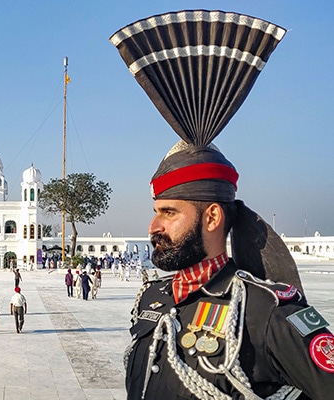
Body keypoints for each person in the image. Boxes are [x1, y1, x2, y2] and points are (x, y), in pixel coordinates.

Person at [111, 11, 334, 399]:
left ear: (212, 215)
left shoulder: (265, 314)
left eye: (169, 212)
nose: (153, 227)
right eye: (155, 210)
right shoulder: (154, 298)